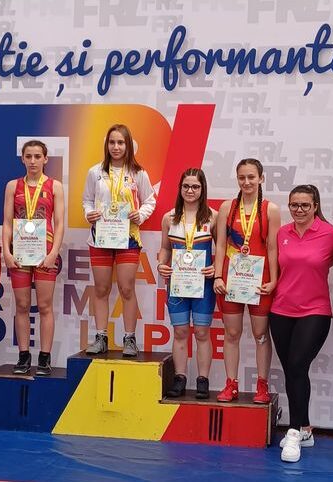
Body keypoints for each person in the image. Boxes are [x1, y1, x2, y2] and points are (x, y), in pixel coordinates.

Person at [269, 185, 333, 463]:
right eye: (294, 205)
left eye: (305, 205)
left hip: (315, 311)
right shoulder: (282, 233)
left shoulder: (330, 233)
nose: (299, 210)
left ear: (315, 206)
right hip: (281, 310)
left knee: (298, 365)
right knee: (292, 371)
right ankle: (306, 429)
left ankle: (294, 431)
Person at [83, 124, 156, 356]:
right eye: (112, 142)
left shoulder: (138, 173)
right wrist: (89, 213)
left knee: (126, 288)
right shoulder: (95, 172)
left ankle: (130, 339)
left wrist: (140, 214)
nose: (116, 147)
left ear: (128, 145)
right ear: (107, 145)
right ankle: (101, 337)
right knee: (101, 288)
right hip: (100, 237)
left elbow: (150, 200)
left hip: (128, 238)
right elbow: (87, 200)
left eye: (121, 142)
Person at [213, 158, 280, 403]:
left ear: (261, 178)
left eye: (251, 177)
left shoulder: (270, 209)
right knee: (232, 333)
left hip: (259, 280)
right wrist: (218, 275)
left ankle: (262, 386)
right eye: (242, 177)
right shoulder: (227, 208)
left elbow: (272, 248)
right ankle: (231, 384)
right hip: (231, 279)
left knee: (261, 334)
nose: (247, 182)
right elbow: (221, 244)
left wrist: (274, 280)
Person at [2, 140, 64, 376]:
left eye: (38, 156)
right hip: (19, 251)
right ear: (22, 159)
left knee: (45, 306)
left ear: (45, 159)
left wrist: (54, 253)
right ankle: (23, 356)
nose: (33, 161)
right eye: (28, 156)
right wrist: (6, 252)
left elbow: (60, 223)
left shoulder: (55, 186)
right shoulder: (13, 186)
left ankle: (45, 358)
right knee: (22, 305)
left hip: (45, 251)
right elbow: (7, 222)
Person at [157, 168, 217, 399]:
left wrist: (216, 268)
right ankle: (180, 378)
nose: (190, 190)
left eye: (195, 186)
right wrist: (161, 264)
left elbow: (222, 248)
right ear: (180, 189)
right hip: (178, 284)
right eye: (186, 186)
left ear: (203, 189)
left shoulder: (212, 217)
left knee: (202, 332)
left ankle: (203, 380)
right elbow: (165, 248)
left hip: (204, 284)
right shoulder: (169, 218)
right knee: (180, 331)